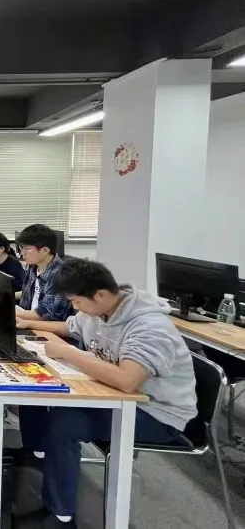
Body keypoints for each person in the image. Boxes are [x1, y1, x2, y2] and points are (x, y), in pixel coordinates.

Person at [16, 258, 197, 528]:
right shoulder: (99, 310)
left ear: (99, 295)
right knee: (39, 393)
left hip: (158, 413)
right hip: (118, 398)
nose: (75, 308)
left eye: (77, 302)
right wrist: (22, 323)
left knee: (64, 423)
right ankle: (37, 457)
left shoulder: (149, 327)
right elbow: (69, 326)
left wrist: (69, 353)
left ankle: (61, 516)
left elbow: (127, 380)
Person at [15, 224, 72, 322]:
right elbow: (28, 292)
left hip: (45, 326)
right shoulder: (33, 265)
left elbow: (47, 314)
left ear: (45, 250)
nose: (22, 253)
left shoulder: (61, 275)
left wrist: (12, 313)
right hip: (27, 319)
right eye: (22, 247)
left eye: (27, 249)